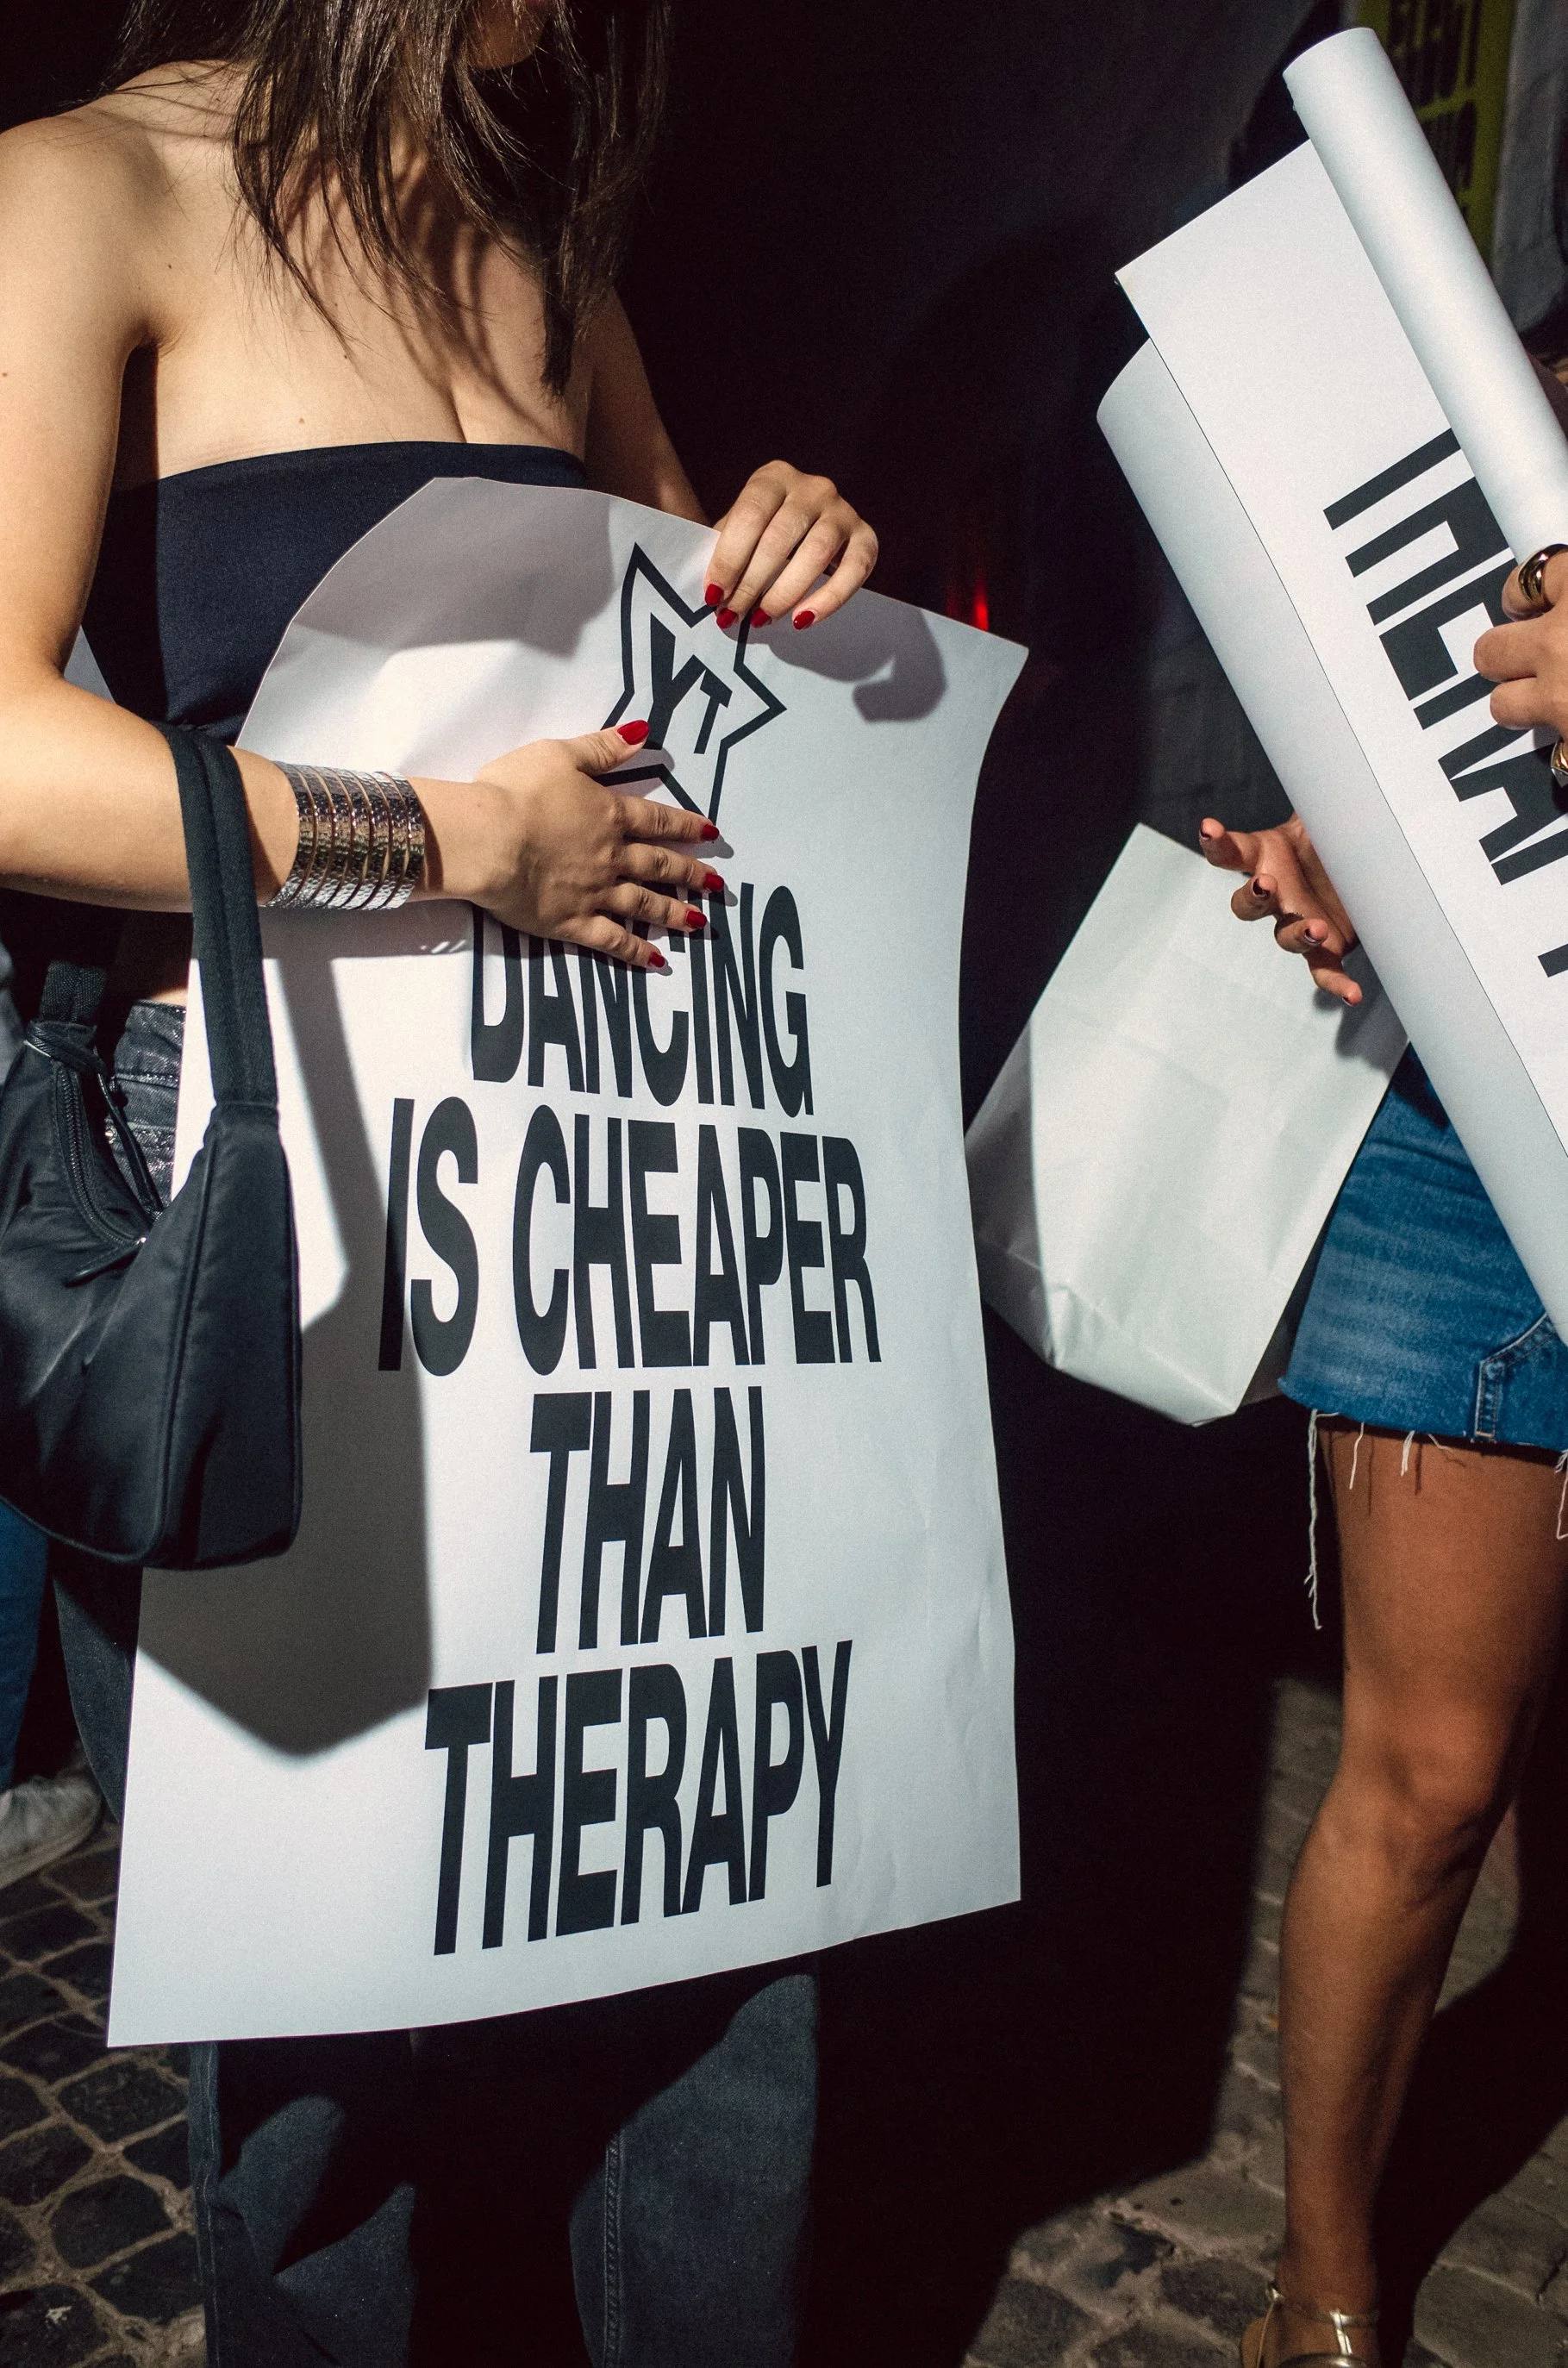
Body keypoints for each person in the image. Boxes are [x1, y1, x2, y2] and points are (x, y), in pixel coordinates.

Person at [0, 3, 878, 2359]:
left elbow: (678, 696)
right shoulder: (88, 188)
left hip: (605, 1180)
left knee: (705, 1904)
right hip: (278, 1196)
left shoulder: (543, 251)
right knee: (328, 2022)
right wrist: (449, 845)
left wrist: (769, 556)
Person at [1199, 406, 1568, 2364]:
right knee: (1429, 1775)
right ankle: (1324, 2279)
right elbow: (1422, 776)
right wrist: (1335, 860)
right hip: (1465, 1156)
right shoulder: (1487, 395)